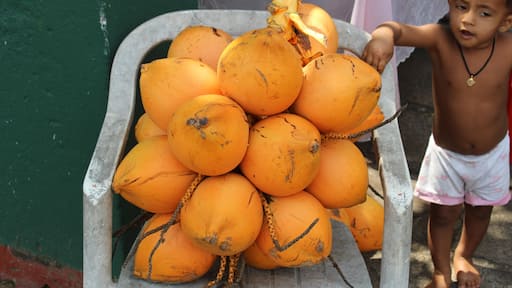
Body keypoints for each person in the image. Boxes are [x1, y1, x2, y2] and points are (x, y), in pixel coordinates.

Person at [362, 0, 512, 287]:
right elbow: (398, 29)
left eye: (484, 13)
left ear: (505, 23)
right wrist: (383, 35)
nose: (467, 20)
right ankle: (441, 269)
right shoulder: (440, 39)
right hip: (447, 156)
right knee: (442, 215)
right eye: (460, 6)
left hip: (492, 156)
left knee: (481, 212)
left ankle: (464, 256)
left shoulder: (507, 49)